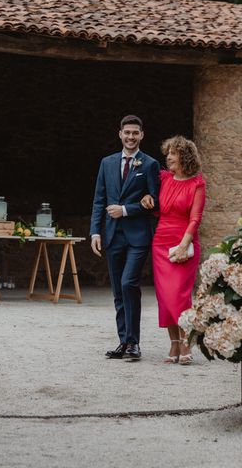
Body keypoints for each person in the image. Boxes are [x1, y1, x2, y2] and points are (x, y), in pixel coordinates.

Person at [90, 115, 160, 361]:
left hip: (137, 236)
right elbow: (100, 199)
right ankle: (124, 341)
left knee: (129, 283)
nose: (131, 137)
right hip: (111, 236)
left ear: (142, 135)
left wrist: (127, 209)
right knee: (118, 292)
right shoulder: (106, 163)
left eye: (135, 133)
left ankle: (134, 343)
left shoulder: (150, 164)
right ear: (119, 134)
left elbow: (155, 202)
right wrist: (95, 232)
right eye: (127, 132)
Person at [141, 135, 205, 365]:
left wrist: (184, 245)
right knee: (165, 297)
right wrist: (147, 196)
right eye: (168, 153)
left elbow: (195, 218)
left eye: (173, 153)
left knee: (179, 295)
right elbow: (149, 193)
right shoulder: (163, 178)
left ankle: (187, 341)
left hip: (184, 243)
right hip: (160, 242)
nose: (168, 157)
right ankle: (173, 343)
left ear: (185, 157)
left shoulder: (197, 183)